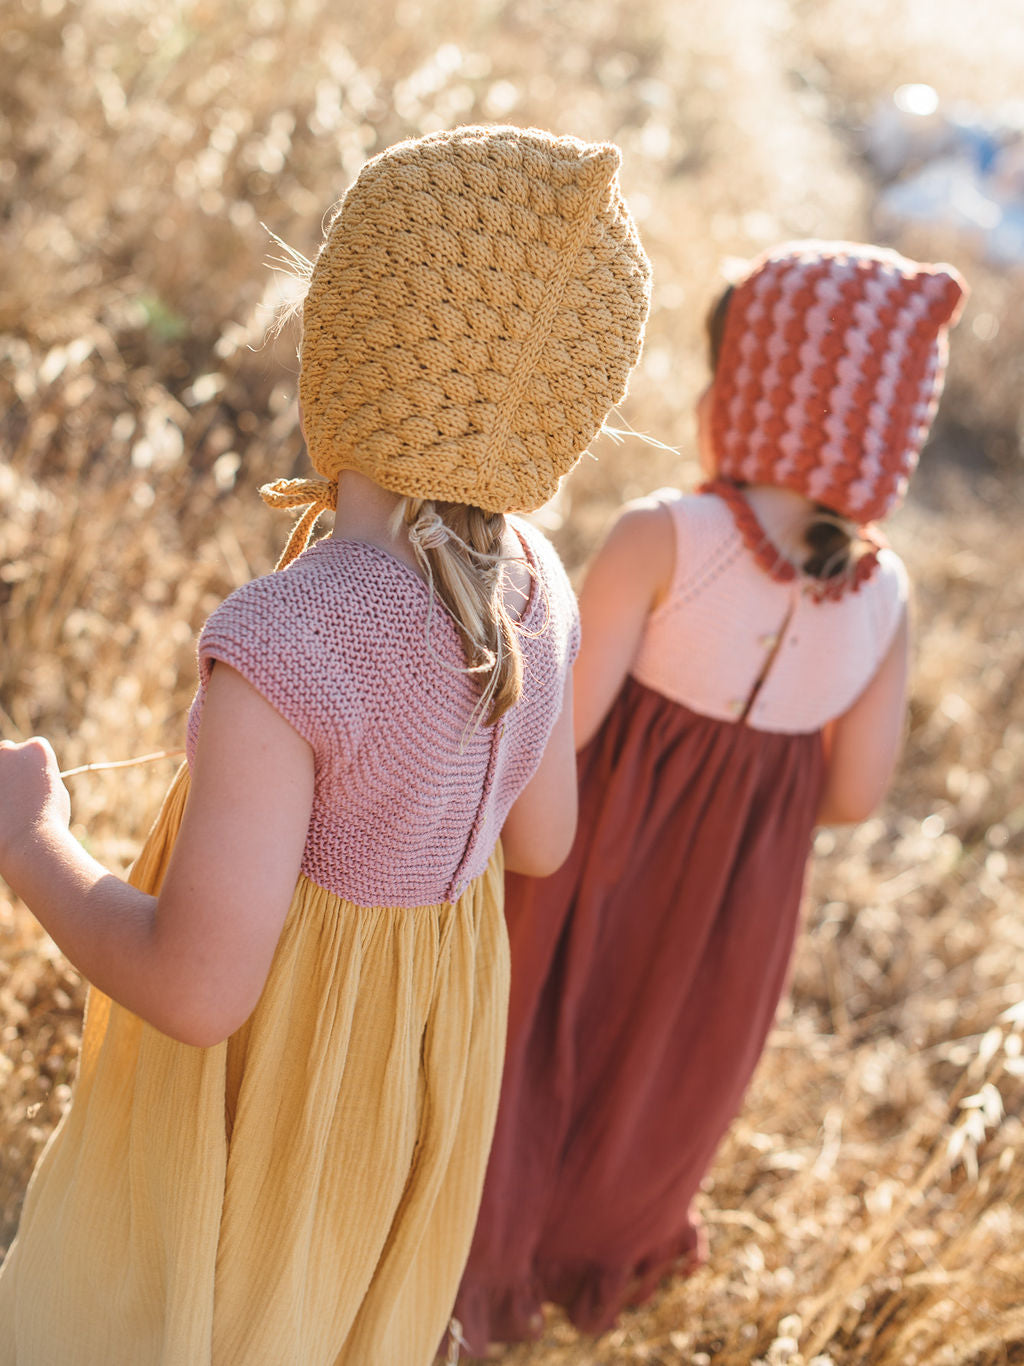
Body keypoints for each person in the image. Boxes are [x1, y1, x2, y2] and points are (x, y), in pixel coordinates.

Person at [0, 123, 652, 1366]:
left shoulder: (291, 640)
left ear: (344, 341)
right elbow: (544, 841)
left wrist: (31, 842)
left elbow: (197, 994)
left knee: (202, 1312)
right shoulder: (536, 586)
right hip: (412, 1073)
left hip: (273, 1088)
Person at [454, 239, 968, 1353]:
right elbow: (854, 796)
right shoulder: (884, 597)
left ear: (755, 395)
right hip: (735, 900)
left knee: (536, 1039)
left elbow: (561, 729)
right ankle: (576, 1257)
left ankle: (469, 1251)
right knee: (657, 1071)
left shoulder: (665, 536)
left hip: (588, 858)